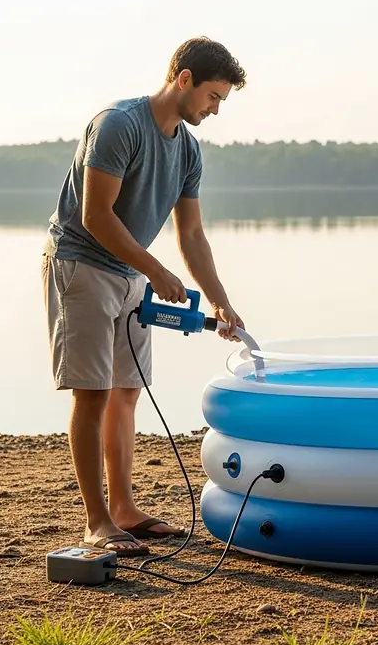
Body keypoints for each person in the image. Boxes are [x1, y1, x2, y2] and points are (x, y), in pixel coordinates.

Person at [41, 37, 246, 557]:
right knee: (92, 393)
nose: (216, 109)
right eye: (213, 96)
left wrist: (220, 300)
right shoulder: (119, 124)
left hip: (130, 273)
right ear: (184, 79)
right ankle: (96, 522)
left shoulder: (188, 147)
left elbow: (192, 236)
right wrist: (154, 269)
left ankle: (126, 511)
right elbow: (95, 215)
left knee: (126, 391)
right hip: (81, 264)